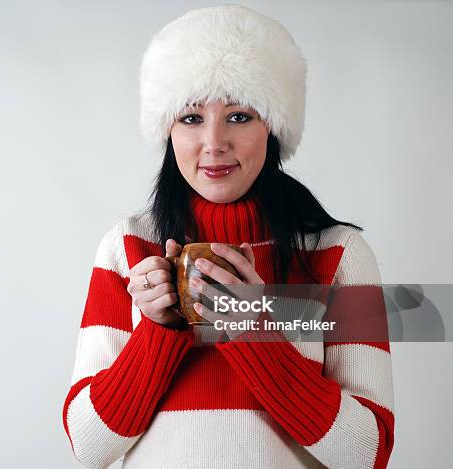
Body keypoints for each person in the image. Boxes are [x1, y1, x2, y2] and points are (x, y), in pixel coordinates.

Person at [62, 5, 394, 468]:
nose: (214, 143)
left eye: (239, 116)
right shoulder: (127, 248)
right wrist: (160, 333)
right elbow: (88, 446)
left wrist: (253, 331)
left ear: (273, 127)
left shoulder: (337, 255)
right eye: (192, 118)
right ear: (168, 130)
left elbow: (368, 453)